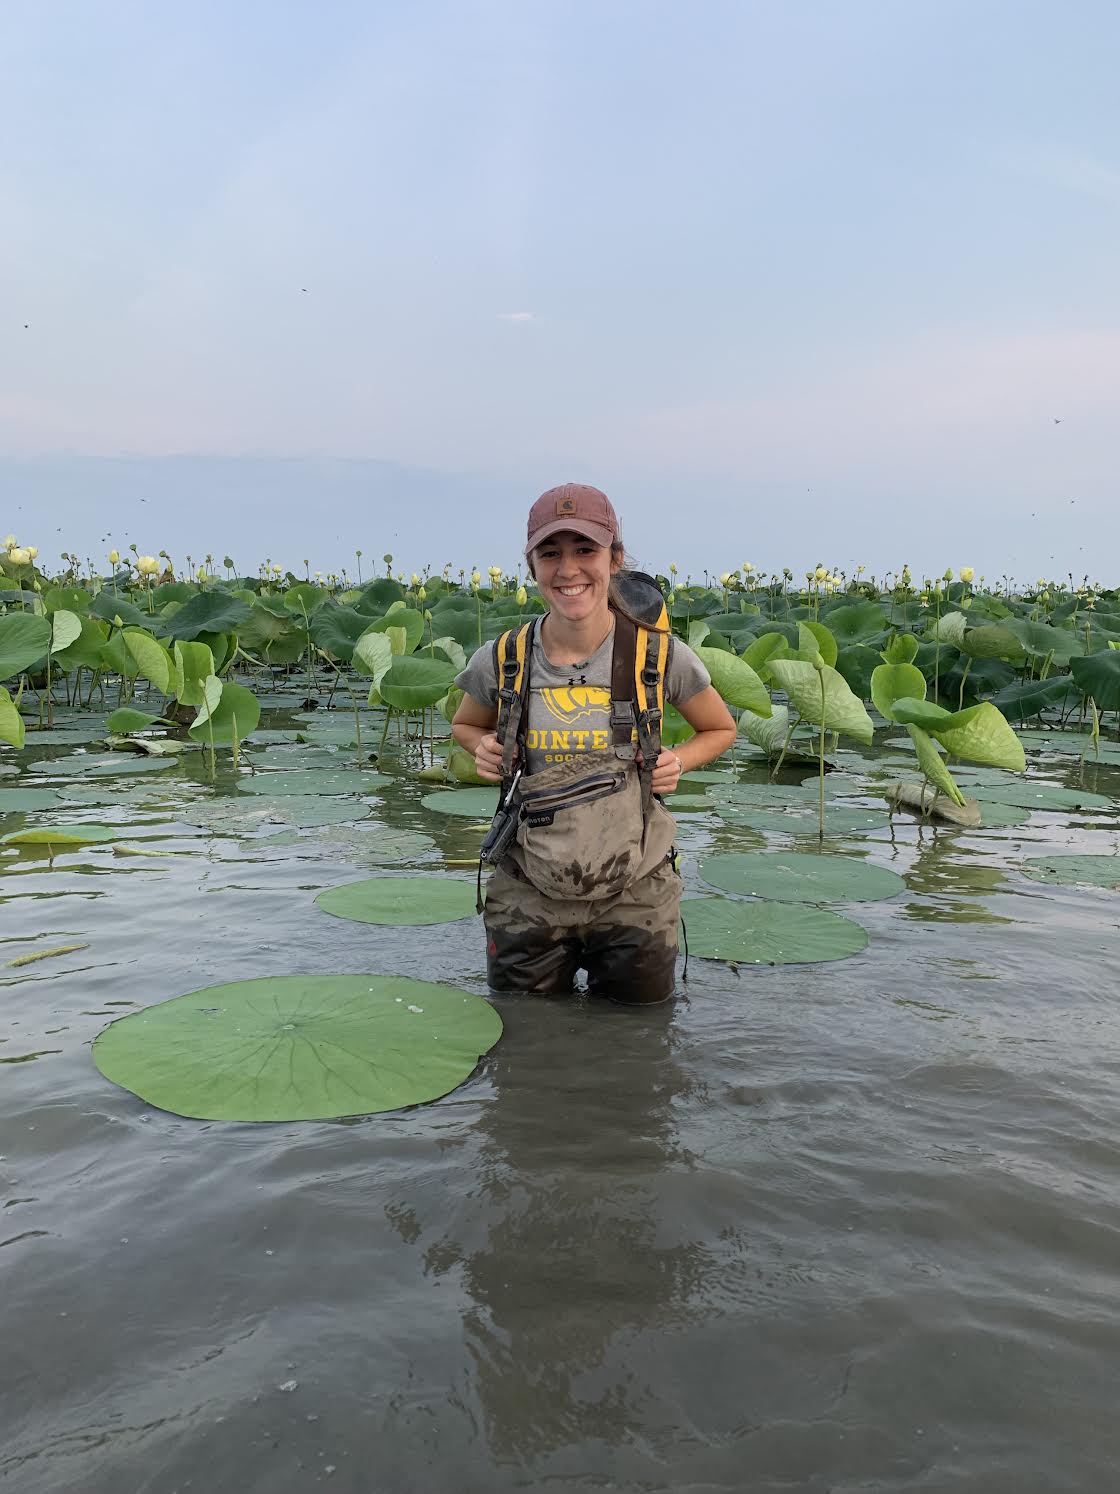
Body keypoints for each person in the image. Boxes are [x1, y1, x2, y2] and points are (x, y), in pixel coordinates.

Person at [452, 483, 736, 1003]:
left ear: (615, 558)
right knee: (526, 1036)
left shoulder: (659, 657)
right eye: (550, 553)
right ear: (531, 564)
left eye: (586, 550)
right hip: (528, 886)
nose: (568, 570)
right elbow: (465, 724)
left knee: (639, 1038)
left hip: (636, 888)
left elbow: (720, 729)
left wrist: (679, 760)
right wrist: (481, 748)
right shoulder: (504, 656)